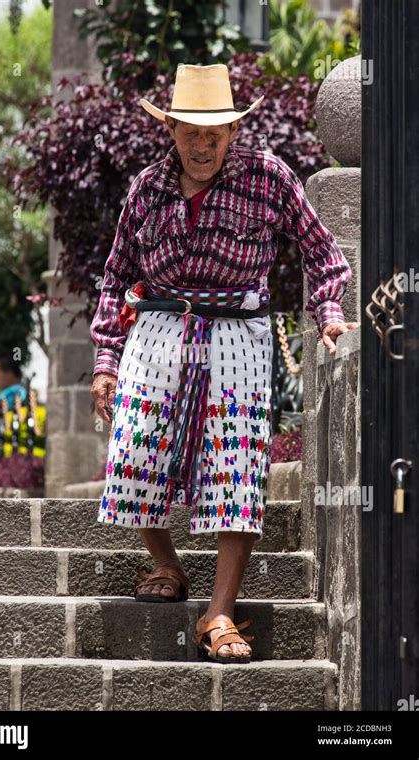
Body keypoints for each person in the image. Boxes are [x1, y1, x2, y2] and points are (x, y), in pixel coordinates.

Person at [90, 63, 359, 663]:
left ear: (234, 131)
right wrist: (107, 358)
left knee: (236, 468)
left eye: (215, 132)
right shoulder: (146, 189)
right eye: (191, 130)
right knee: (133, 453)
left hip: (238, 332)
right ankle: (166, 563)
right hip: (158, 328)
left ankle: (220, 611)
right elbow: (114, 278)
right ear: (173, 131)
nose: (203, 143)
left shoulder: (269, 178)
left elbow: (321, 251)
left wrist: (329, 309)